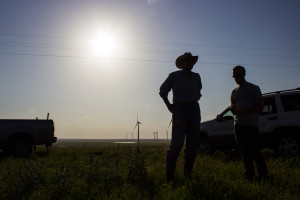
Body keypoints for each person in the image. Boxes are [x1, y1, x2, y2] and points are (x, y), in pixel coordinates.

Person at [159, 52, 202, 182]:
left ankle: (187, 175)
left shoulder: (197, 77)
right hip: (180, 110)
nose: (189, 64)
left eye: (191, 62)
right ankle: (169, 178)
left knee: (192, 144)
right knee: (176, 143)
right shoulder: (174, 76)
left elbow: (198, 92)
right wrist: (169, 106)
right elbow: (162, 91)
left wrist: (193, 100)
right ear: (182, 63)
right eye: (186, 61)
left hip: (194, 109)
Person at [230, 65, 268, 181]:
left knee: (255, 151)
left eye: (238, 75)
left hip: (251, 125)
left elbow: (260, 106)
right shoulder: (234, 92)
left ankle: (263, 176)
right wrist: (234, 110)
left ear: (243, 74)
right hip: (238, 125)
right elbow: (232, 105)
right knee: (244, 152)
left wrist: (244, 112)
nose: (235, 78)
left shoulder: (254, 88)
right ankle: (249, 175)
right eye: (233, 76)